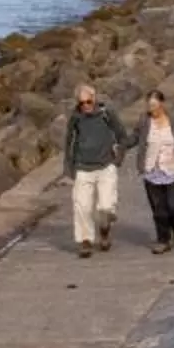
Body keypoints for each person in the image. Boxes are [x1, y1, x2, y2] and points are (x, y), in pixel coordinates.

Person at [63, 84, 131, 258]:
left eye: (88, 101)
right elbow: (69, 142)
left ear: (94, 99)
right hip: (83, 167)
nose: (85, 105)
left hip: (106, 166)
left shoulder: (107, 114)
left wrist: (118, 157)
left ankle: (105, 230)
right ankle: (85, 241)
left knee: (106, 206)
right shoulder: (75, 118)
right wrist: (68, 168)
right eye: (82, 102)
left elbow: (122, 135)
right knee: (82, 207)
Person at [138, 90, 174, 253]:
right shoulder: (144, 121)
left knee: (173, 206)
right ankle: (163, 240)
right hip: (152, 170)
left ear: (162, 104)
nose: (151, 109)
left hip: (171, 170)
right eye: (149, 106)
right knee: (158, 209)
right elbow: (136, 137)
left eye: (154, 105)